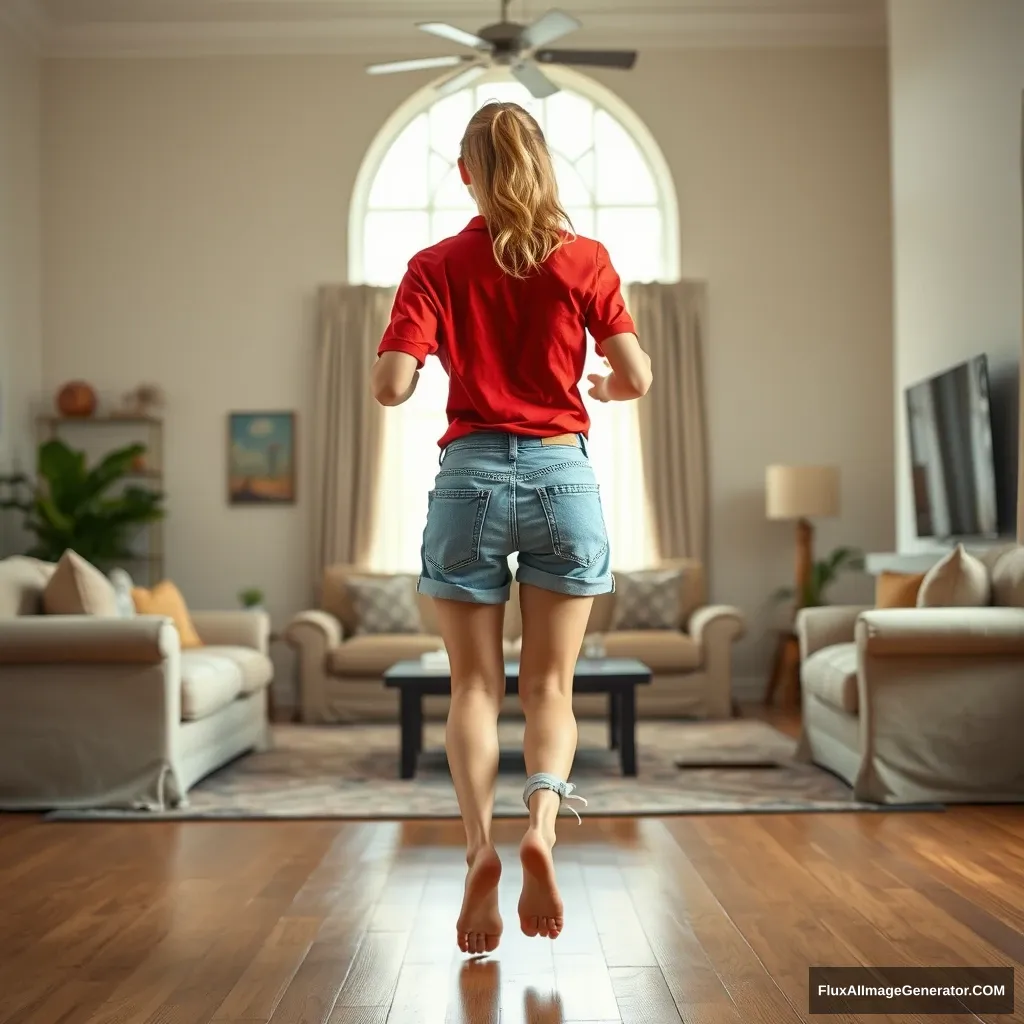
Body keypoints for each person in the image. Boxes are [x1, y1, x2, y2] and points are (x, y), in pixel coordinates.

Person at [371, 100, 652, 956]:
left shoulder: (435, 263)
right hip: (564, 473)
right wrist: (600, 389)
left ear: (467, 175)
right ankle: (541, 829)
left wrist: (424, 349)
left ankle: (476, 853)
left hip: (471, 480)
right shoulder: (587, 259)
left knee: (472, 689)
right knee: (552, 688)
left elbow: (390, 386)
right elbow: (635, 375)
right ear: (542, 168)